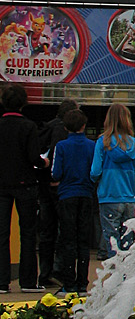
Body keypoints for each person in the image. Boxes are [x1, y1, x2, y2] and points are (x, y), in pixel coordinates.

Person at [0, 83, 46, 293]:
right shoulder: (29, 126)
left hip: (1, 184)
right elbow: (33, 157)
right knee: (28, 233)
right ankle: (28, 281)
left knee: (2, 234)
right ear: (23, 103)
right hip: (25, 184)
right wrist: (44, 163)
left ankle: (2, 281)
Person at [90, 103, 135, 260]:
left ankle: (114, 267)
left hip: (108, 195)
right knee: (127, 239)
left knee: (111, 240)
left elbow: (95, 171)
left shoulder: (103, 142)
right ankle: (126, 270)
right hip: (128, 197)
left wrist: (97, 180)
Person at [50, 108, 95, 293]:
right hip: (86, 193)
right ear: (84, 125)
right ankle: (82, 282)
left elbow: (56, 173)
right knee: (83, 240)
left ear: (66, 127)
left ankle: (69, 283)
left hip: (67, 194)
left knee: (68, 239)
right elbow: (95, 171)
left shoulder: (61, 146)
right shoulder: (92, 145)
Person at [37, 97, 79, 286]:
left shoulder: (46, 127)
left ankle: (44, 273)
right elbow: (57, 153)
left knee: (47, 232)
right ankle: (59, 270)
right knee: (64, 230)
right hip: (60, 186)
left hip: (43, 185)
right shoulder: (62, 131)